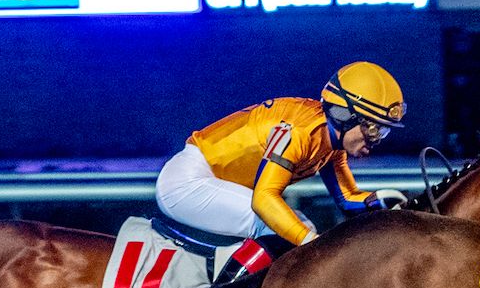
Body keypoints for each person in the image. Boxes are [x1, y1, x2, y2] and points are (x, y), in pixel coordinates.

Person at [155, 61, 405, 257]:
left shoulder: (331, 144)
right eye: (372, 128)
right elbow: (263, 200)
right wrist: (310, 242)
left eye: (383, 130)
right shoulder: (297, 131)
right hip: (187, 180)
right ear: (345, 116)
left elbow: (348, 200)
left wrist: (384, 201)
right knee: (283, 227)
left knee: (298, 225)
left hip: (208, 177)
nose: (377, 139)